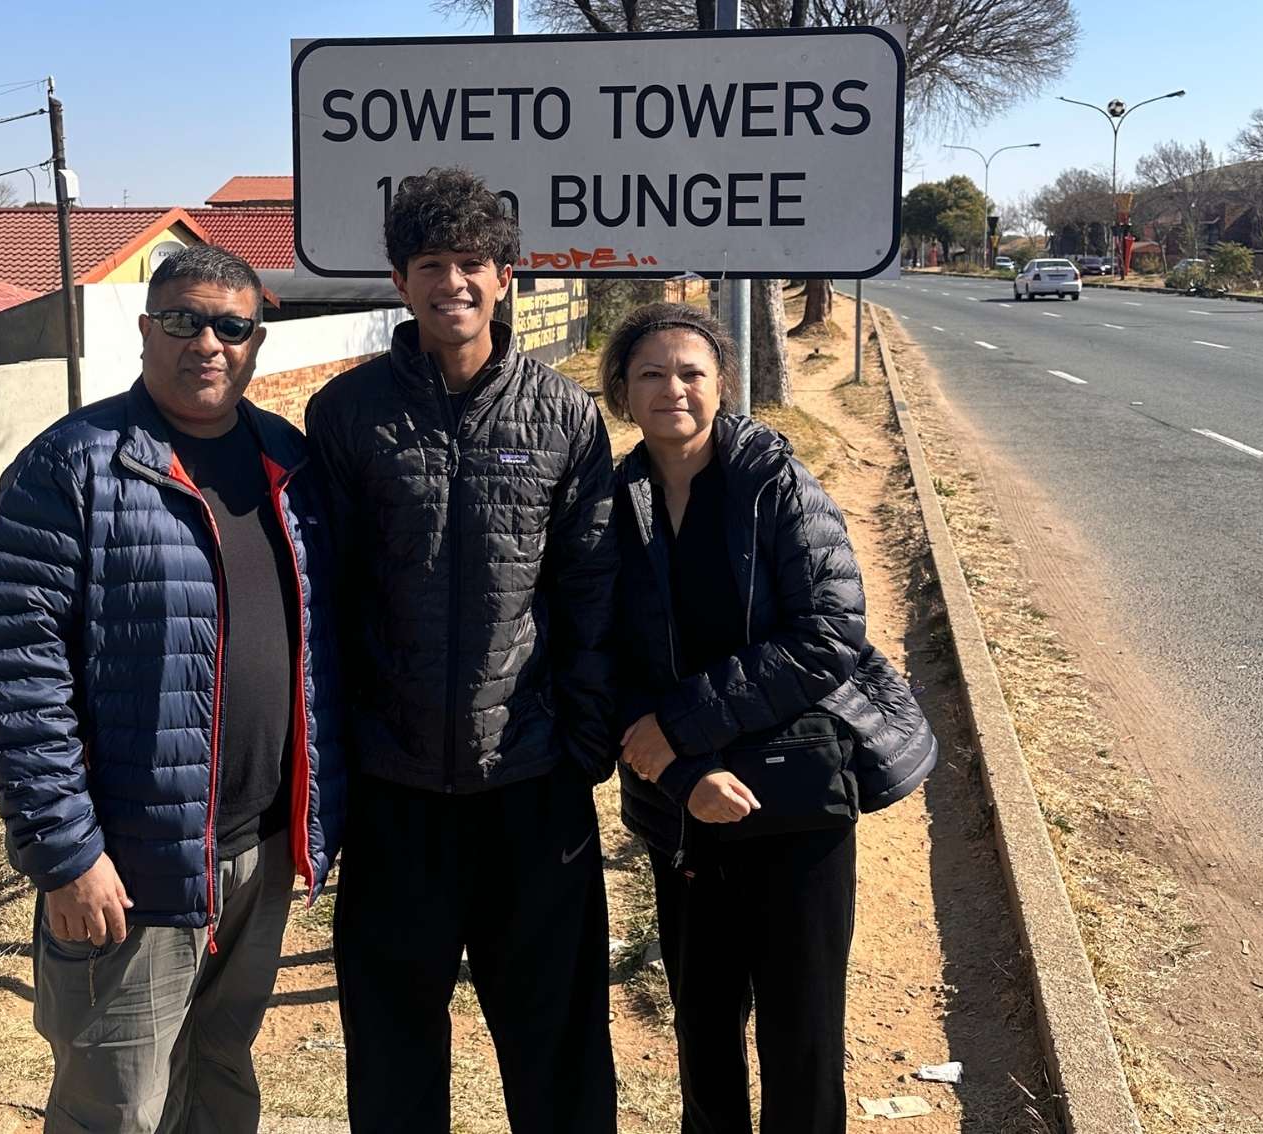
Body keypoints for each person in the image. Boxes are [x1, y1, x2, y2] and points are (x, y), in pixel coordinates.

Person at [0, 245, 344, 1134]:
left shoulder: (291, 466)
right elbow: (14, 675)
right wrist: (65, 853)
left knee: (220, 1076)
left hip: (258, 852)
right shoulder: (73, 467)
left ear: (256, 341)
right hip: (131, 868)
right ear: (144, 331)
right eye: (183, 320)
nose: (207, 342)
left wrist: (317, 821)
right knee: (118, 1107)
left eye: (231, 325)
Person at [304, 167, 618, 1133]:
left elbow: (592, 596)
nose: (453, 284)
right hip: (397, 792)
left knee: (558, 1048)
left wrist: (583, 747)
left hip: (531, 786)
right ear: (401, 282)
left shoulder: (564, 418)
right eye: (430, 265)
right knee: (393, 1053)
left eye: (472, 264)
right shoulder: (347, 415)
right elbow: (328, 600)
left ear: (506, 276)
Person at [604, 302, 934, 1134]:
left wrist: (683, 726)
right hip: (681, 810)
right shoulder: (610, 504)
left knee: (802, 1030)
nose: (671, 388)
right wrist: (683, 771)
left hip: (793, 802)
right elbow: (597, 659)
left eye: (691, 372)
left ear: (723, 384)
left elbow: (830, 635)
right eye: (650, 373)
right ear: (621, 390)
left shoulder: (776, 483)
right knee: (703, 1028)